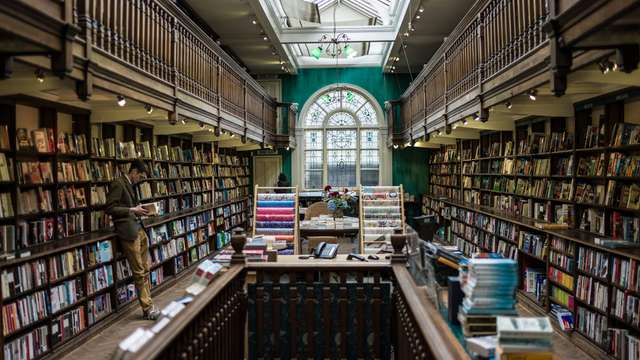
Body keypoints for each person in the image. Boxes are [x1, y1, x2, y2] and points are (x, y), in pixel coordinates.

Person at [105, 159, 160, 320]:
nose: (141, 180)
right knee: (138, 271)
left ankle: (149, 303)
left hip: (139, 229)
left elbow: (131, 206)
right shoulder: (118, 183)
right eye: (140, 176)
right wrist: (131, 209)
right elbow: (110, 208)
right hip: (128, 232)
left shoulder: (130, 184)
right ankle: (148, 308)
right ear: (134, 171)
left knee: (146, 268)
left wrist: (141, 208)